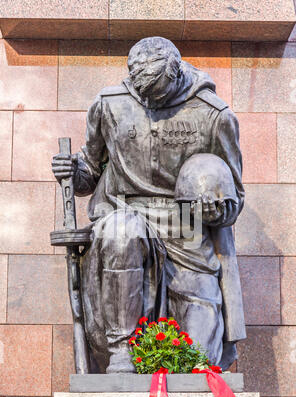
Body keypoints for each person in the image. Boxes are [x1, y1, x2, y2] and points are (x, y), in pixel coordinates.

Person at [52, 36, 246, 373]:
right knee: (121, 230)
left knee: (200, 359)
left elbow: (235, 197)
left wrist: (217, 208)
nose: (148, 101)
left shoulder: (214, 114)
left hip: (187, 224)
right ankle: (122, 349)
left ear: (176, 75)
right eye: (142, 94)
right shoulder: (109, 104)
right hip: (124, 211)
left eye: (156, 94)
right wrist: (73, 170)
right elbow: (90, 171)